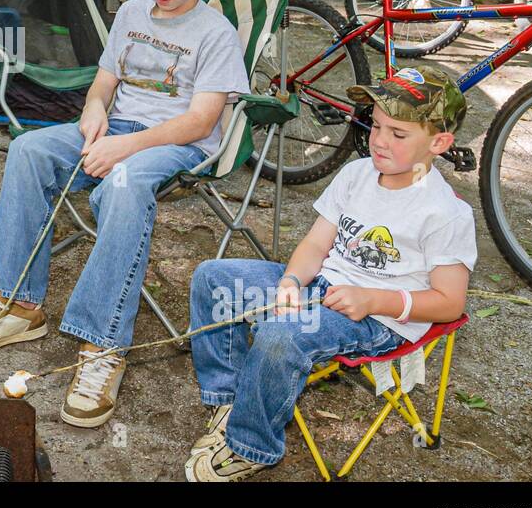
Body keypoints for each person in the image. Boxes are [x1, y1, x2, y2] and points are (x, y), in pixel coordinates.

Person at [0, 0, 250, 428]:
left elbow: (200, 120)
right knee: (28, 150)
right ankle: (20, 304)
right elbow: (103, 84)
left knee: (124, 187)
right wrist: (93, 111)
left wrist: (124, 147)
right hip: (118, 130)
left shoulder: (215, 33)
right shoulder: (131, 12)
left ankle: (104, 344)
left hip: (176, 142)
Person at [185, 66, 475, 481]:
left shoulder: (445, 213)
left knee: (281, 334)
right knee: (213, 279)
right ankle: (231, 397)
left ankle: (251, 443)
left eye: (398, 133)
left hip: (381, 317)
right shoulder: (356, 175)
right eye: (375, 125)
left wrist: (373, 300)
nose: (378, 140)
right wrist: (290, 281)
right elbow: (317, 245)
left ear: (439, 142)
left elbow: (450, 303)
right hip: (322, 287)